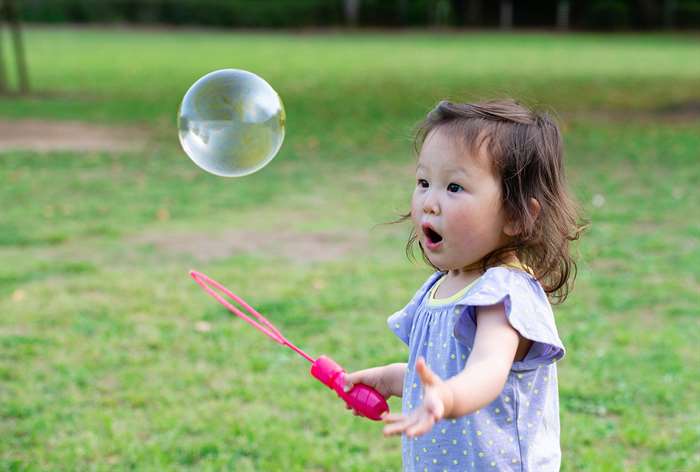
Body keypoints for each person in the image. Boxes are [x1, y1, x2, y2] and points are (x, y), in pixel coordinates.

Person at [344, 100, 585, 471]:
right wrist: (393, 378)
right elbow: (451, 372)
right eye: (424, 182)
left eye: (454, 187)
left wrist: (448, 397)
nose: (429, 203)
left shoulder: (503, 293)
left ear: (518, 216)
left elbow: (488, 369)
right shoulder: (443, 286)